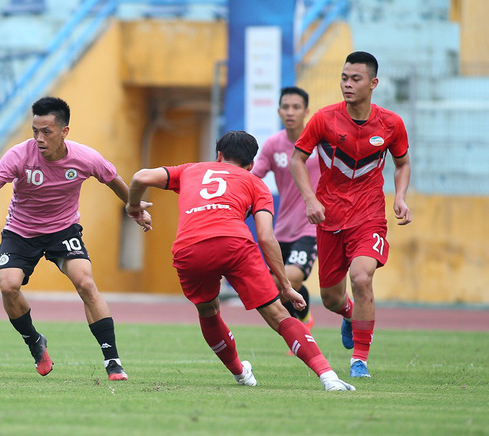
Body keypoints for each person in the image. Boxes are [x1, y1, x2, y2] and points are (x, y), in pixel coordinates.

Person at [126, 130, 355, 391]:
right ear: (252, 165)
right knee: (278, 315)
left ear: (219, 155)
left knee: (208, 312)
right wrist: (286, 286)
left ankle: (239, 373)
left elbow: (140, 177)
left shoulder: (191, 170)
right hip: (235, 245)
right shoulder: (255, 182)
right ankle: (328, 377)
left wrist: (134, 207)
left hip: (190, 248)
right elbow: (267, 238)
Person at [0, 96, 151, 380]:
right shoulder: (19, 155)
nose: (39, 138)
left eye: (46, 132)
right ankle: (35, 342)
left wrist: (134, 208)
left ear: (64, 131)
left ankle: (112, 361)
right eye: (35, 131)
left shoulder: (86, 158)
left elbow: (113, 180)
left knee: (86, 283)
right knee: (8, 286)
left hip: (62, 231)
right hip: (20, 232)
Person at [290, 51, 412, 379]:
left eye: (355, 79)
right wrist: (311, 200)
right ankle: (348, 314)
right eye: (344, 78)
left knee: (361, 277)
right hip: (328, 216)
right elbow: (296, 160)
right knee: (330, 298)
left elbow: (402, 164)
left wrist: (399, 197)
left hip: (369, 214)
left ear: (373, 83)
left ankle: (360, 360)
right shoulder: (323, 119)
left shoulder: (391, 124)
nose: (347, 84)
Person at [251, 86, 319, 334]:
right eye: (286, 107)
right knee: (276, 287)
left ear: (306, 111)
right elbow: (253, 178)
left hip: (310, 228)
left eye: (296, 107)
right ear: (279, 111)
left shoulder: (320, 144)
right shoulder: (273, 145)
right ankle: (304, 319)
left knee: (287, 279)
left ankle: (302, 322)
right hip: (281, 230)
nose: (290, 112)